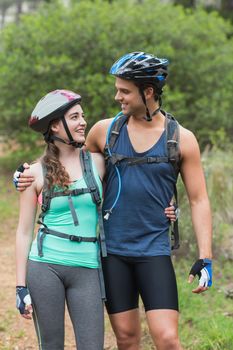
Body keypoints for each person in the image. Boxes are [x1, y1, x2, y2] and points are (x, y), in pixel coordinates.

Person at [14, 52, 212, 350]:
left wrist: (204, 256)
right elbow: (68, 157)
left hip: (153, 248)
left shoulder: (181, 138)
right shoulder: (105, 131)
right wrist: (26, 173)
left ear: (147, 92)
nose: (117, 96)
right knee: (126, 338)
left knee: (168, 338)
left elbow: (198, 199)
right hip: (111, 252)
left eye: (124, 91)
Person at [15, 89, 106, 350]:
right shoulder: (34, 173)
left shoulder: (99, 163)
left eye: (83, 115)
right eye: (75, 117)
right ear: (55, 125)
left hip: (87, 267)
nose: (83, 122)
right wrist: (20, 287)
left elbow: (132, 186)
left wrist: (168, 205)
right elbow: (23, 232)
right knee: (51, 345)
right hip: (45, 267)